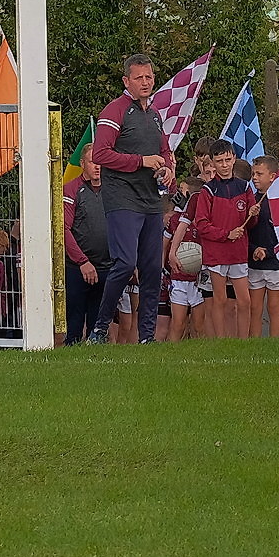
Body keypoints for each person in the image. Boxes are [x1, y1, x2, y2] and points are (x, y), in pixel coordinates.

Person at [88, 54, 174, 344]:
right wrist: (141, 161)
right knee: (125, 264)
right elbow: (100, 154)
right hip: (122, 198)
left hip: (151, 200)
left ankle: (146, 337)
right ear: (126, 81)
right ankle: (100, 328)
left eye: (149, 77)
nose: (145, 82)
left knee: (153, 269)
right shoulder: (115, 110)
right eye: (139, 78)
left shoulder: (155, 114)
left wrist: (168, 169)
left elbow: (165, 151)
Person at [191, 137, 255, 339]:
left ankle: (243, 342)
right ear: (212, 162)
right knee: (219, 299)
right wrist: (226, 235)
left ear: (234, 158)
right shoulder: (208, 190)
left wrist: (253, 214)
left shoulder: (245, 187)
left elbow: (250, 223)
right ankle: (221, 341)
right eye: (219, 161)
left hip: (238, 253)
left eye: (228, 160)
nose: (224, 165)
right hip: (217, 254)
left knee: (244, 301)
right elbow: (201, 225)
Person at [63, 161, 109, 345]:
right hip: (77, 268)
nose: (97, 166)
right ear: (82, 164)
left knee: (99, 324)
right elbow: (64, 229)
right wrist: (82, 261)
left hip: (106, 266)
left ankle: (96, 356)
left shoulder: (113, 188)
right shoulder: (71, 189)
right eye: (92, 162)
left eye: (100, 162)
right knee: (74, 322)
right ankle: (70, 353)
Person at [247, 156, 279, 338]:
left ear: (272, 176)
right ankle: (255, 343)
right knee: (255, 307)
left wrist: (269, 252)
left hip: (275, 263)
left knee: (273, 306)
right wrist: (254, 249)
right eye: (253, 174)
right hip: (254, 262)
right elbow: (245, 232)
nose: (255, 178)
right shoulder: (250, 201)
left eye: (259, 174)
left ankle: (275, 343)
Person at [163, 176, 203, 342]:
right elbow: (164, 245)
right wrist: (163, 270)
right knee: (178, 324)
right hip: (178, 279)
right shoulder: (174, 220)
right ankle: (172, 353)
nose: (178, 195)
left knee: (199, 325)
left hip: (198, 280)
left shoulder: (203, 220)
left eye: (182, 191)